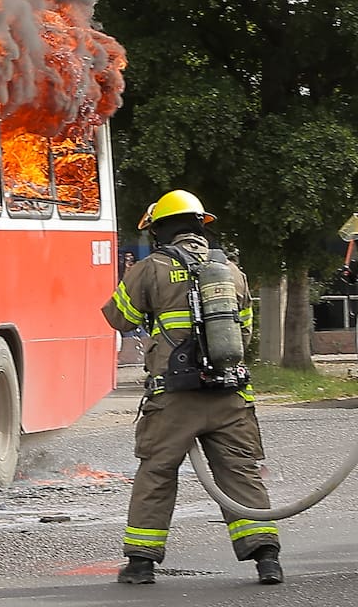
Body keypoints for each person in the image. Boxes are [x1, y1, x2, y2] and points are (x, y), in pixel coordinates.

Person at [101, 189, 282, 586]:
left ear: (161, 230)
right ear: (201, 225)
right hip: (229, 395)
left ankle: (141, 564)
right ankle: (267, 559)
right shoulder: (231, 271)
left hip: (175, 398)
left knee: (157, 474)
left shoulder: (151, 269)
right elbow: (244, 332)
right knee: (240, 474)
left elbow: (119, 317)